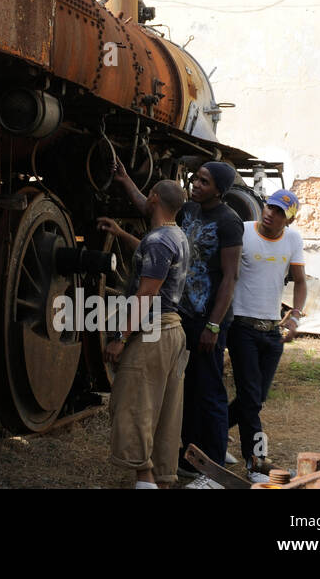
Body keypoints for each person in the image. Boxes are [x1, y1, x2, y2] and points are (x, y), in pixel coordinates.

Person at [113, 159, 243, 472]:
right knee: (183, 389)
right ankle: (188, 455)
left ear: (219, 190)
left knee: (209, 389)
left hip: (208, 317)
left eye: (204, 182)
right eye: (196, 179)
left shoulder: (229, 221)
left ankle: (213, 465)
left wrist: (213, 324)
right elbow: (153, 207)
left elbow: (230, 276)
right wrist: (126, 179)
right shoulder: (188, 211)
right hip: (182, 315)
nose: (196, 185)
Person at [98, 180, 192, 488]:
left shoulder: (158, 241)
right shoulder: (176, 236)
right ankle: (162, 479)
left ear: (153, 198)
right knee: (166, 413)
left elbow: (145, 295)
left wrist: (120, 338)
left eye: (147, 193)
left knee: (132, 404)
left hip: (154, 332)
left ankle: (144, 478)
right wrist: (123, 234)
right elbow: (155, 261)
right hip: (174, 332)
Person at [228, 189, 306, 475]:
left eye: (280, 212)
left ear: (289, 221)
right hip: (242, 328)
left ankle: (211, 432)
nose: (271, 213)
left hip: (272, 332)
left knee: (256, 399)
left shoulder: (293, 240)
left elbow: (299, 281)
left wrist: (295, 317)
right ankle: (256, 460)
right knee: (250, 399)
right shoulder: (243, 231)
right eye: (270, 207)